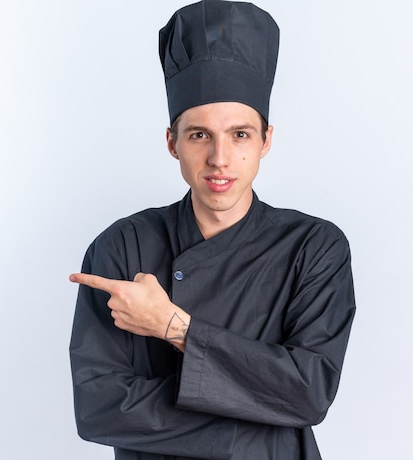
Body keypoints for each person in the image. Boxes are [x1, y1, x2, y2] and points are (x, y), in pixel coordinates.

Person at [69, 1, 356, 459]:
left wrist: (172, 325)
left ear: (266, 140)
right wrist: (261, 414)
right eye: (199, 135)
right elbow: (99, 409)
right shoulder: (121, 247)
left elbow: (309, 394)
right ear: (172, 142)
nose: (220, 159)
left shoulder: (314, 247)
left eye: (240, 134)